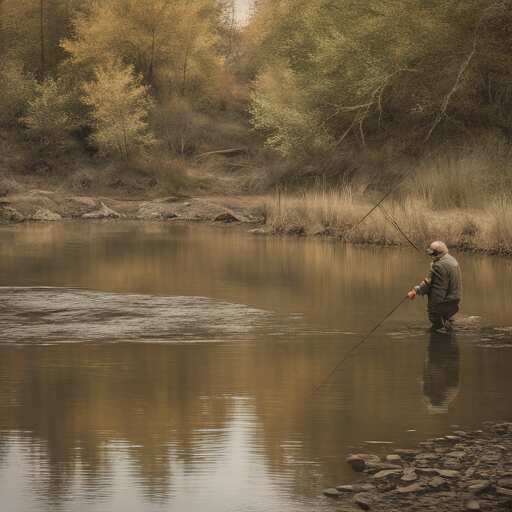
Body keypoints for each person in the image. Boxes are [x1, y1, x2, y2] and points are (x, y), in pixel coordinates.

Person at [408, 241, 461, 332]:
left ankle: (439, 337)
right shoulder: (452, 260)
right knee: (447, 321)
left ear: (435, 253)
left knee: (435, 318)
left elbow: (427, 284)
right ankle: (448, 333)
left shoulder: (437, 266)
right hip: (454, 299)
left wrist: (415, 291)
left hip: (441, 302)